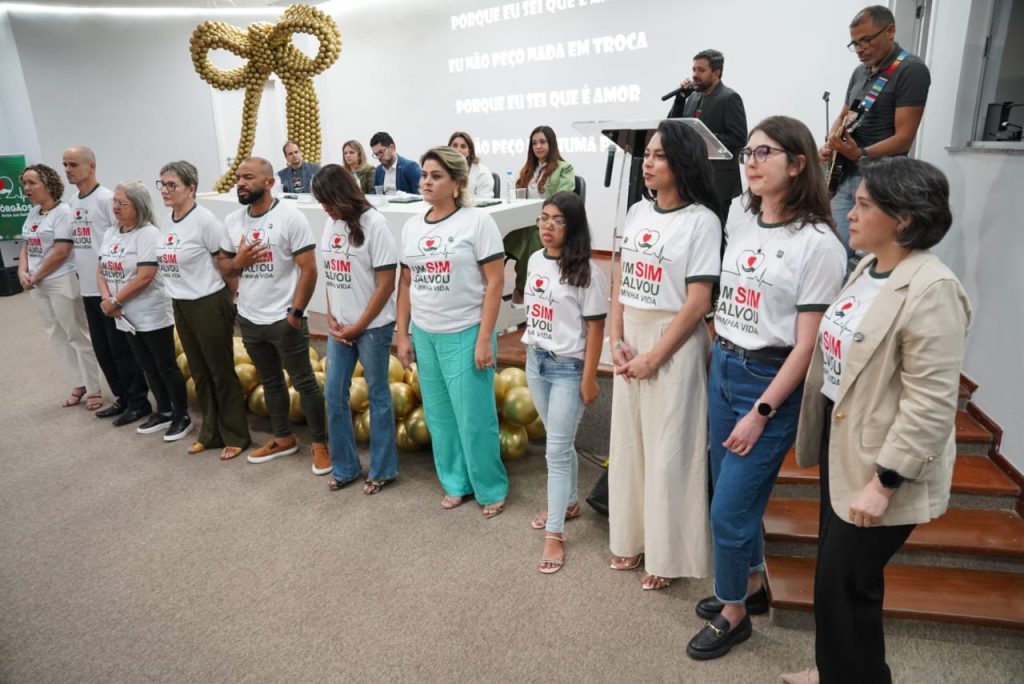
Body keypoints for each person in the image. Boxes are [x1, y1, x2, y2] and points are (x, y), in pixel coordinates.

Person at [780, 158, 971, 684]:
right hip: (847, 451)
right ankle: (837, 670)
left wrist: (885, 482)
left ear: (904, 219)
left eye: (865, 205)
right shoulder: (870, 267)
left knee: (842, 585)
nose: (852, 213)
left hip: (881, 469)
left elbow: (931, 402)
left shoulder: (933, 290)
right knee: (845, 582)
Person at [686, 116, 846, 661]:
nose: (750, 161)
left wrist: (762, 410)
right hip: (725, 365)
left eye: (765, 152)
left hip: (770, 382)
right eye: (747, 152)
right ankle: (751, 583)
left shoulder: (819, 244)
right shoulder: (741, 215)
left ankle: (733, 611)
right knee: (731, 494)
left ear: (798, 164)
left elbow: (806, 347)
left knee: (729, 509)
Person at [607, 120, 722, 590]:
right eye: (647, 154)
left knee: (671, 450)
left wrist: (653, 358)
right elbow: (621, 279)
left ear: (683, 162)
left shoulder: (702, 221)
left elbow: (697, 302)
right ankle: (631, 538)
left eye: (658, 155)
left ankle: (668, 553)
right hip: (631, 336)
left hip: (672, 340)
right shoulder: (637, 211)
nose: (647, 163)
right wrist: (616, 336)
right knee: (630, 444)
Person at [395, 146, 508, 517]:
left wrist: (484, 338)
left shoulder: (477, 223)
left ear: (457, 183)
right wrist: (403, 332)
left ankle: (490, 486)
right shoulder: (412, 227)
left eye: (436, 176)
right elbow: (406, 282)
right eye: (425, 175)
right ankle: (455, 482)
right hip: (426, 332)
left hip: (467, 330)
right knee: (440, 416)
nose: (426, 181)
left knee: (474, 417)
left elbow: (495, 283)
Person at [222, 157, 330, 474]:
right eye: (238, 177)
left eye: (249, 177)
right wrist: (238, 261)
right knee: (270, 383)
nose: (241, 183)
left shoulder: (290, 217)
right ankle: (282, 438)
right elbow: (224, 267)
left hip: (285, 319)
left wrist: (295, 315)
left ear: (269, 183)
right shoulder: (232, 221)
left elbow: (309, 269)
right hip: (250, 319)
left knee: (305, 383)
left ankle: (321, 444)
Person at [522, 191, 607, 574]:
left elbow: (595, 331)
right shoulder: (535, 260)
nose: (547, 227)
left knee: (554, 452)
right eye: (543, 218)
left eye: (557, 220)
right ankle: (569, 502)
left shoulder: (589, 272)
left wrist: (589, 379)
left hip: (568, 369)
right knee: (560, 443)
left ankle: (554, 535)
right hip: (535, 361)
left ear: (572, 227)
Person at [819, 5, 931, 263]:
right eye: (854, 43)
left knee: (873, 260)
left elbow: (905, 137)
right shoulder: (859, 73)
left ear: (890, 31)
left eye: (866, 40)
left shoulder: (910, 70)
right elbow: (844, 114)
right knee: (835, 255)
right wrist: (831, 142)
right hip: (845, 176)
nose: (859, 49)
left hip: (881, 182)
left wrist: (861, 153)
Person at [312, 164, 399, 494]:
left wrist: (359, 325)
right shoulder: (331, 223)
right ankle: (346, 466)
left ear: (341, 194)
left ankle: (383, 469)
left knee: (378, 396)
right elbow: (332, 273)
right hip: (341, 328)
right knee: (334, 393)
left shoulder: (376, 224)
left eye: (327, 200)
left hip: (373, 327)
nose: (324, 208)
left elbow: (386, 284)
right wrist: (332, 313)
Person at [157, 161, 251, 460]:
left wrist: (228, 302)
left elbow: (227, 267)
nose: (165, 190)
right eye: (162, 184)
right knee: (198, 371)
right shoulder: (169, 219)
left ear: (191, 189)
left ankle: (236, 434)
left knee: (220, 371)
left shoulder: (206, 221)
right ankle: (210, 433)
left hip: (208, 302)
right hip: (181, 304)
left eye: (173, 185)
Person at [98, 181, 193, 441]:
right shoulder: (111, 233)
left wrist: (114, 300)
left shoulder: (149, 234)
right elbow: (101, 268)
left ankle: (181, 415)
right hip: (123, 313)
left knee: (164, 365)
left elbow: (145, 276)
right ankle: (163, 411)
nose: (115, 207)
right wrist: (107, 298)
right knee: (146, 365)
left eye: (121, 203)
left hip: (150, 311)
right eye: (114, 202)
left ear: (138, 206)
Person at [62, 146, 149, 418]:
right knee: (103, 350)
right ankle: (122, 397)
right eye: (65, 164)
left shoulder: (106, 199)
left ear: (92, 166)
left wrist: (116, 293)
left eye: (73, 164)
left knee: (121, 350)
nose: (68, 170)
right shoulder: (74, 201)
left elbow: (124, 235)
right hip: (89, 287)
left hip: (112, 291)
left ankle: (138, 401)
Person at [17, 163, 102, 410]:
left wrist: (36, 275)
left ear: (48, 183)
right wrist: (23, 271)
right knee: (55, 333)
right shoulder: (34, 213)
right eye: (25, 183)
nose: (27, 188)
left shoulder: (64, 212)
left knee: (76, 334)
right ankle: (79, 382)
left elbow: (62, 251)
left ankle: (94, 387)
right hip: (37, 283)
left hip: (60, 280)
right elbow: (27, 246)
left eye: (32, 182)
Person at [667, 48, 747, 226]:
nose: (695, 74)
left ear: (716, 73)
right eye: (694, 69)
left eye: (701, 70)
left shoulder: (729, 98)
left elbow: (739, 139)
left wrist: (702, 137)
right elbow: (671, 128)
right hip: (690, 180)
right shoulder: (693, 97)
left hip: (717, 183)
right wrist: (680, 99)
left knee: (712, 235)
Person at [505, 125, 576, 304]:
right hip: (526, 222)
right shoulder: (528, 170)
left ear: (551, 143)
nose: (538, 146)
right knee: (501, 235)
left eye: (542, 142)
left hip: (549, 223)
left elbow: (564, 198)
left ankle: (521, 287)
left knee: (534, 237)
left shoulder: (564, 168)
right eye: (534, 143)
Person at [448, 131, 494, 197]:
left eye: (463, 146)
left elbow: (485, 201)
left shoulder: (482, 172)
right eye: (455, 146)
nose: (458, 150)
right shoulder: (442, 170)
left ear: (469, 151)